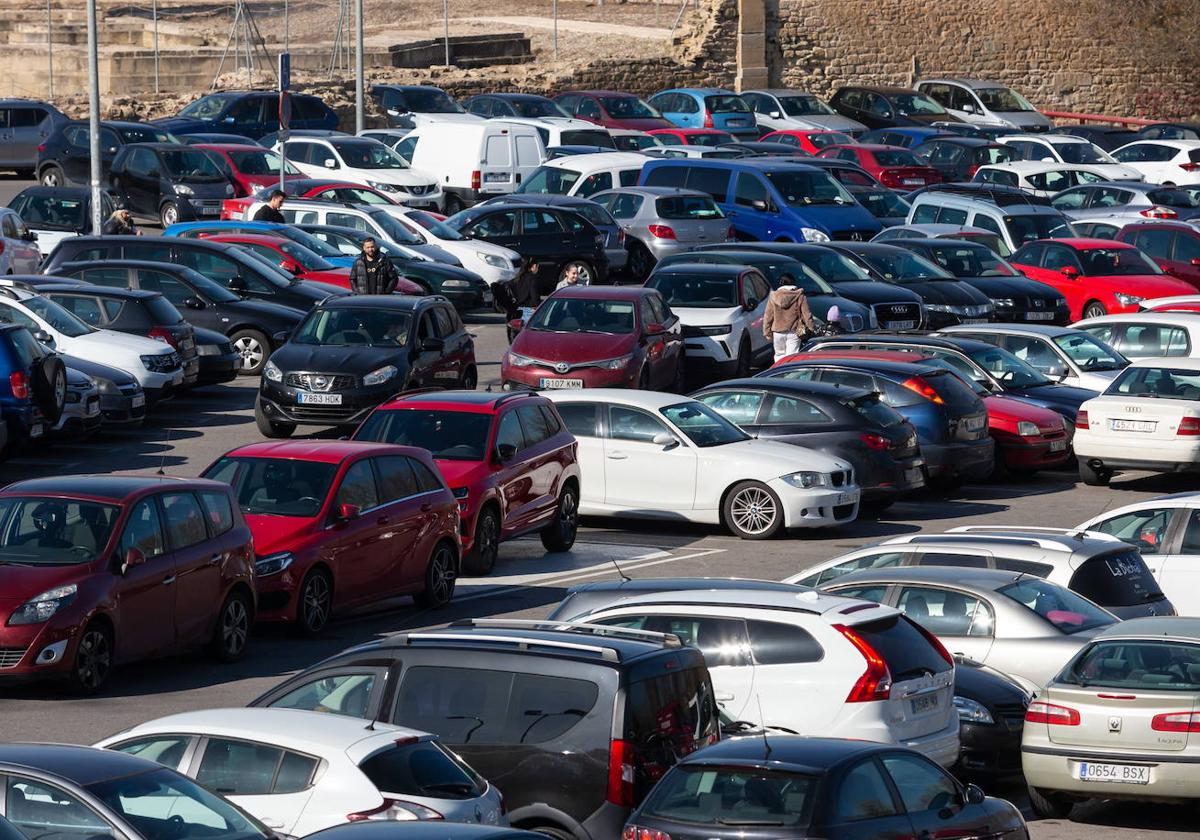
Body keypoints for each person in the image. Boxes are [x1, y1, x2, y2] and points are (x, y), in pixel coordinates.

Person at [762, 283, 815, 362]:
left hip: (777, 332)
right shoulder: (799, 296)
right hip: (794, 332)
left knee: (779, 356)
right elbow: (807, 314)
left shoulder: (774, 296)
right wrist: (811, 328)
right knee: (792, 357)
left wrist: (767, 332)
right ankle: (790, 373)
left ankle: (779, 372)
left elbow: (768, 316)